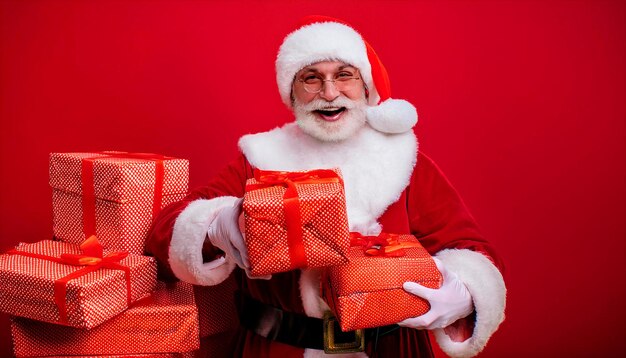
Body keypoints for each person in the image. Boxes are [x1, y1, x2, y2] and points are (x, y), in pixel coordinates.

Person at [146, 15, 506, 358]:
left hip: (390, 348)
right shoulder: (260, 157)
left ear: (365, 86)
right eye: (311, 78)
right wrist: (217, 224)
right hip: (280, 349)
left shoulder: (405, 161)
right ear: (292, 92)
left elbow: (472, 248)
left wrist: (464, 293)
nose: (330, 92)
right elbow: (164, 236)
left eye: (344, 75)